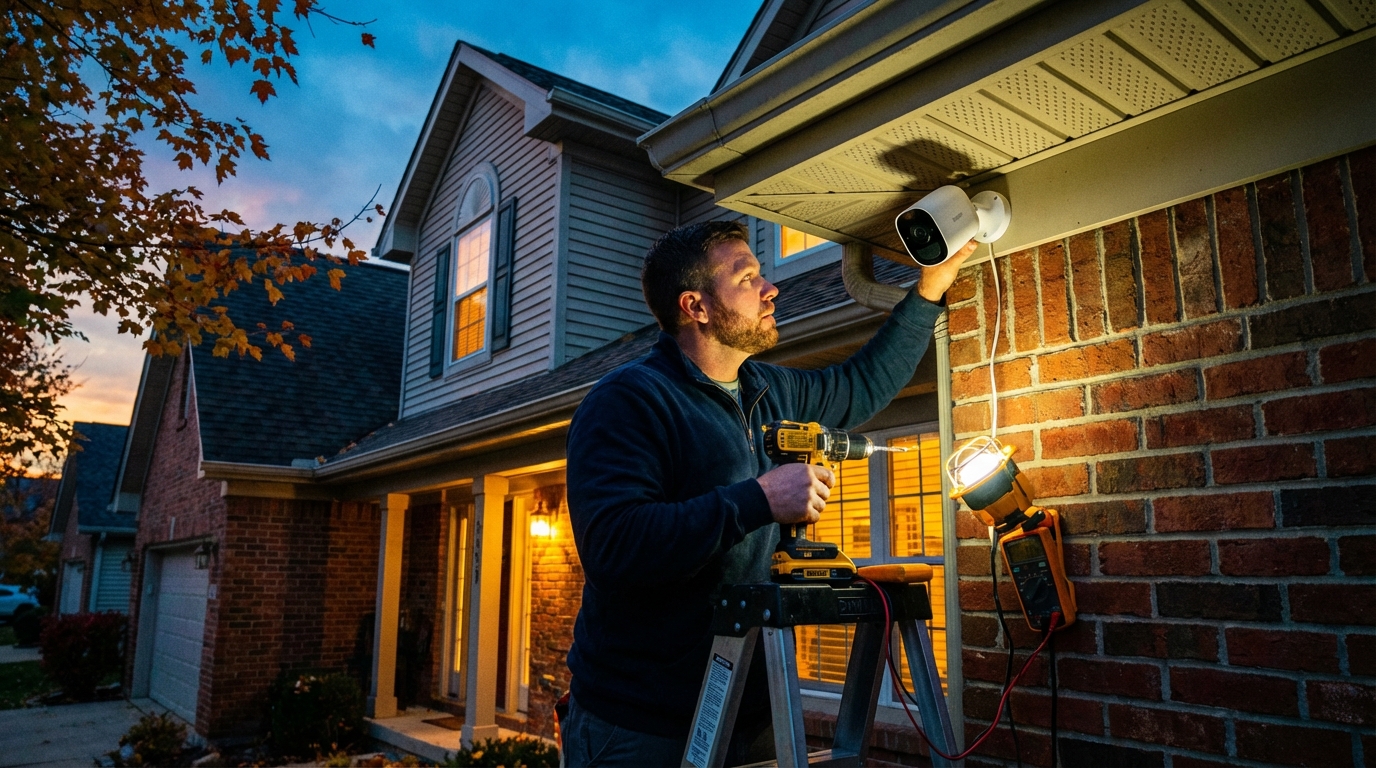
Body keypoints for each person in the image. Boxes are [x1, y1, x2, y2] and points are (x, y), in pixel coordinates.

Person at [563, 221, 976, 766]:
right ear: (697, 306)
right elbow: (616, 547)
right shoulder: (629, 402)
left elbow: (863, 383)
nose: (770, 287)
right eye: (748, 277)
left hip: (750, 708)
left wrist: (928, 288)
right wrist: (758, 499)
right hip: (639, 725)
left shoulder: (770, 389)